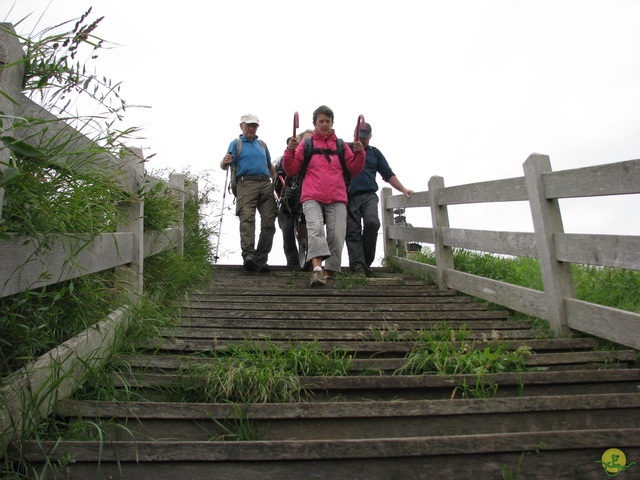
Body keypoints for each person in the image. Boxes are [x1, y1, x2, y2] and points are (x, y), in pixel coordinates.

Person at [283, 105, 365, 287]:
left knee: (337, 236)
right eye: (321, 121)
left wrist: (359, 154)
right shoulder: (306, 144)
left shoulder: (341, 145)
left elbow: (354, 169)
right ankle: (317, 270)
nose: (325, 124)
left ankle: (330, 273)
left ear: (332, 123)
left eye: (328, 121)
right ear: (315, 124)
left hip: (337, 196)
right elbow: (292, 169)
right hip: (311, 195)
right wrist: (289, 151)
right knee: (315, 230)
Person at [346, 122, 413, 276]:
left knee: (372, 223)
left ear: (370, 137)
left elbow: (388, 174)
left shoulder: (375, 153)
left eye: (365, 138)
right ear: (354, 134)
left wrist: (403, 189)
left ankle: (366, 261)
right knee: (352, 231)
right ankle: (357, 266)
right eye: (359, 137)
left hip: (369, 195)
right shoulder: (345, 149)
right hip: (349, 196)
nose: (362, 141)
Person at [220, 114, 277, 273]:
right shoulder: (236, 143)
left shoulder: (262, 144)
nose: (251, 129)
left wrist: (277, 182)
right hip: (246, 183)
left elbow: (269, 165)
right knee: (247, 219)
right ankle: (249, 256)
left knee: (269, 222)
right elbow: (225, 164)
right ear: (241, 127)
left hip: (266, 183)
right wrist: (224, 161)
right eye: (248, 126)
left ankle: (261, 258)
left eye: (254, 126)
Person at [273, 129, 314, 268]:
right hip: (289, 197)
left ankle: (310, 259)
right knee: (287, 229)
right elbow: (276, 170)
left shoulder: (316, 158)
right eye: (306, 140)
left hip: (308, 196)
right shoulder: (287, 157)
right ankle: (293, 262)